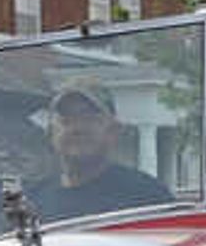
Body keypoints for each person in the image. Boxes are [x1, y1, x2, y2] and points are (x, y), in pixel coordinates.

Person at [22, 85, 177, 221]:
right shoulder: (32, 201)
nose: (78, 129)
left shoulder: (148, 196)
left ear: (114, 131)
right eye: (66, 120)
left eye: (90, 119)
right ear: (50, 133)